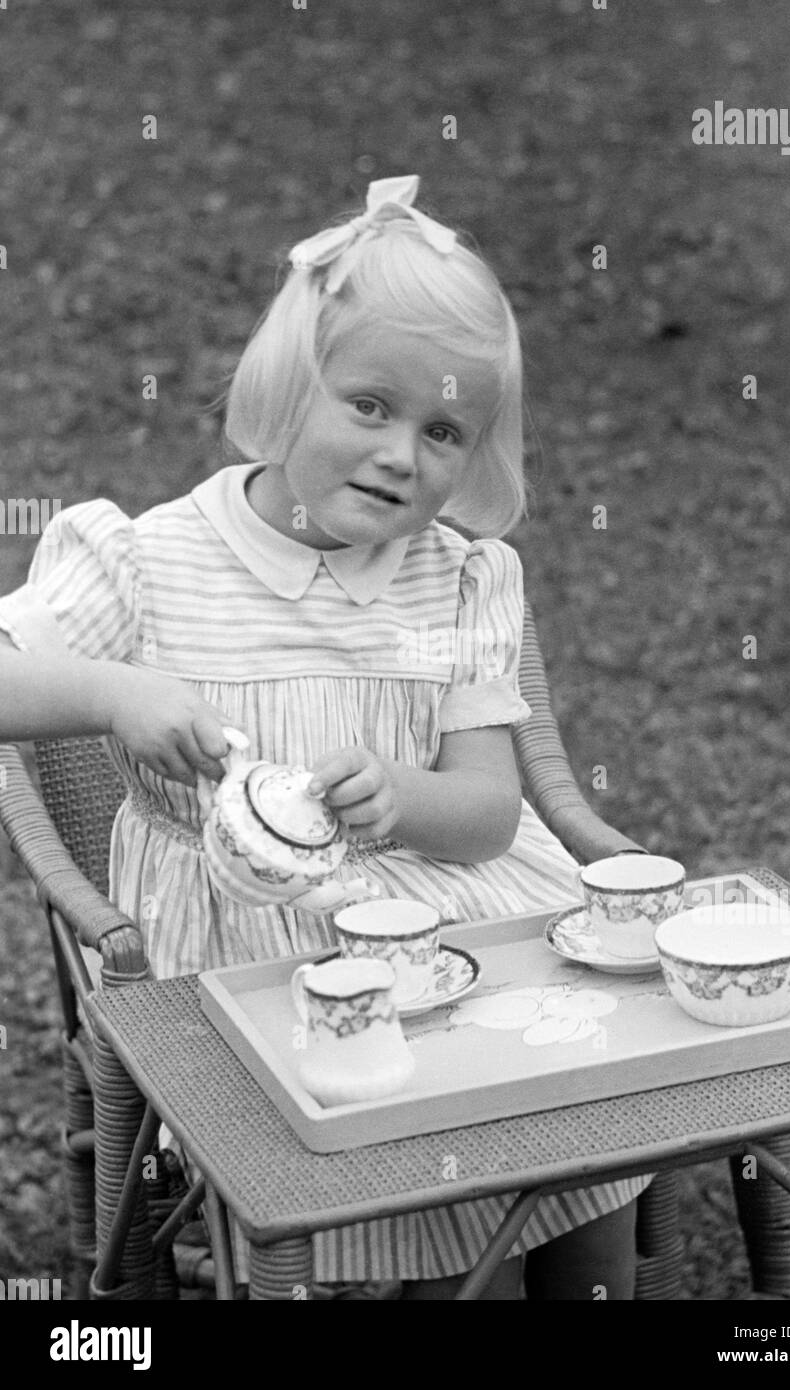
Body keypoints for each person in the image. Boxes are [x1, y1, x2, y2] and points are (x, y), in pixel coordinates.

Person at [0, 175, 650, 1299]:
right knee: (371, 1105)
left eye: (443, 429)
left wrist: (404, 794)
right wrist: (111, 693)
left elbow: (490, 810)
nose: (402, 454)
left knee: (536, 1090)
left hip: (443, 910)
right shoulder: (150, 563)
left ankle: (538, 1262)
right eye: (369, 406)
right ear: (290, 385)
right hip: (246, 941)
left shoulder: (458, 579)